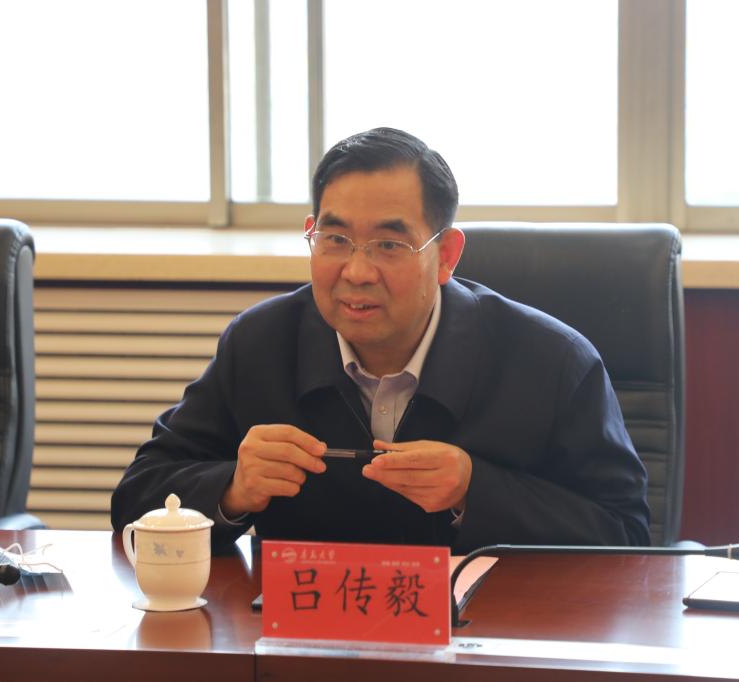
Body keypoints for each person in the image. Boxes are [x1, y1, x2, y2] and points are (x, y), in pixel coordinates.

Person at [111, 127, 650, 552]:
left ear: (446, 255)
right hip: (304, 636)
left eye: (389, 245)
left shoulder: (552, 362)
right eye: (335, 238)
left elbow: (626, 535)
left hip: (485, 637)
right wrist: (232, 489)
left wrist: (475, 490)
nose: (356, 271)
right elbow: (137, 498)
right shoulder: (261, 343)